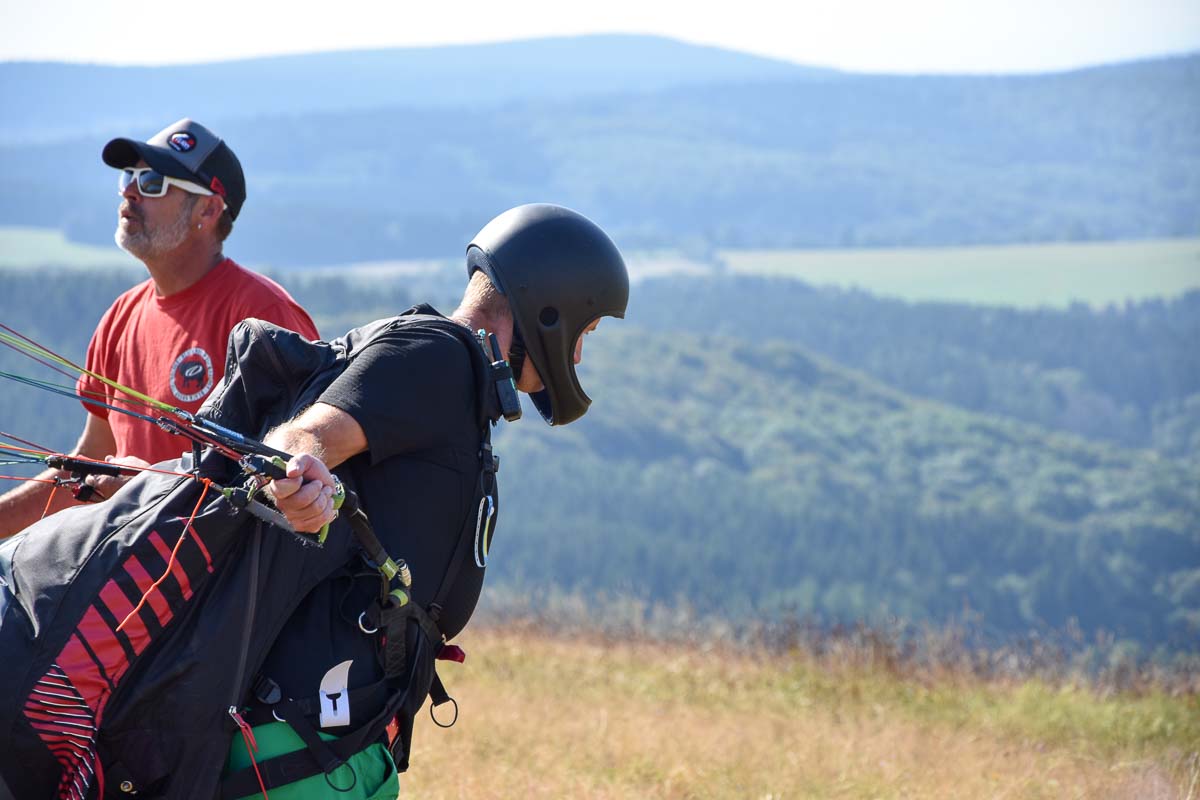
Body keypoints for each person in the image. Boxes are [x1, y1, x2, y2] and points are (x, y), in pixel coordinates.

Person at [219, 203, 629, 799]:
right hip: (299, 751)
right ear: (551, 310)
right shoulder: (436, 357)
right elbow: (301, 438)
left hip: (337, 747)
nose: (580, 356)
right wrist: (295, 476)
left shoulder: (460, 384)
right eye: (584, 333)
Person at [0, 118, 318, 538]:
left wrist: (148, 489)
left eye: (152, 183)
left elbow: (299, 472)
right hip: (130, 564)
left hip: (220, 573)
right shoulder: (121, 316)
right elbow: (89, 460)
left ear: (208, 210)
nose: (130, 192)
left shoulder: (262, 314)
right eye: (128, 178)